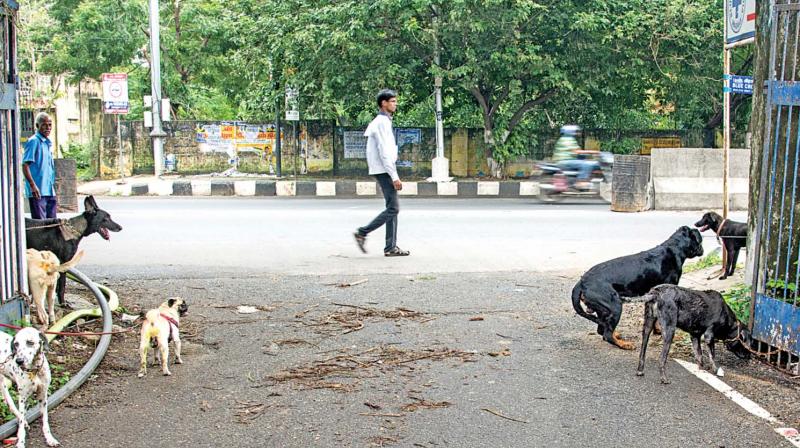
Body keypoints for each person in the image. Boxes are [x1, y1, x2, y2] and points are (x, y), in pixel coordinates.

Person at [353, 89, 410, 257]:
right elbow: (385, 153)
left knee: (392, 208)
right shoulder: (382, 123)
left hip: (382, 168)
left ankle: (391, 246)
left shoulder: (383, 122)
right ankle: (362, 232)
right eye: (392, 101)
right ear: (383, 103)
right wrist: (395, 177)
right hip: (383, 169)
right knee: (393, 208)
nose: (395, 104)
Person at [23, 112, 57, 219]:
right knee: (41, 226)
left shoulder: (47, 143)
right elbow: (25, 165)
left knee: (52, 225)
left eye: (50, 125)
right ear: (37, 126)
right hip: (38, 191)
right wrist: (33, 186)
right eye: (44, 125)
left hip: (49, 190)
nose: (48, 128)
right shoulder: (34, 141)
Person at [552, 125, 599, 189]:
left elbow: (575, 152)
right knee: (585, 164)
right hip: (565, 161)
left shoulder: (564, 138)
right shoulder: (568, 140)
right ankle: (581, 182)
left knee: (583, 160)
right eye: (575, 131)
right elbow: (577, 151)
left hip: (565, 161)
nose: (576, 133)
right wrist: (592, 152)